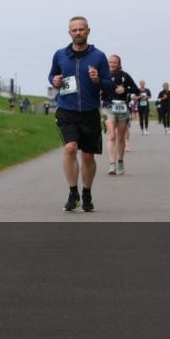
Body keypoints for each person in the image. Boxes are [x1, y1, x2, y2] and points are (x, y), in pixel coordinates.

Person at [48, 16, 113, 212]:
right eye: (74, 30)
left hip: (90, 111)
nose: (78, 33)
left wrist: (98, 79)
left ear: (88, 31)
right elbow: (52, 75)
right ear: (69, 33)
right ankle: (72, 192)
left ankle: (86, 192)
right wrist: (55, 81)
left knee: (87, 156)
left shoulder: (98, 56)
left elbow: (109, 85)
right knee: (69, 148)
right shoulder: (60, 55)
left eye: (81, 29)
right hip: (66, 110)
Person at [100, 54, 137, 176]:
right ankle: (112, 164)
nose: (112, 64)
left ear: (119, 63)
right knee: (111, 136)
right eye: (110, 62)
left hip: (122, 108)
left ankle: (120, 161)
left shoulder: (124, 76)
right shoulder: (103, 75)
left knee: (120, 137)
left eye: (115, 62)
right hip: (107, 107)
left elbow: (136, 90)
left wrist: (125, 90)